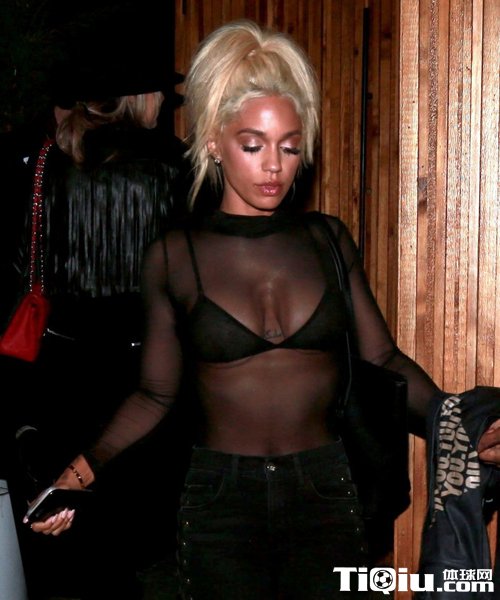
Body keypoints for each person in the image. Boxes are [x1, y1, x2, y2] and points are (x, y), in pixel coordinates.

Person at [28, 19, 500, 599]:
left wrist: (463, 418)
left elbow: (383, 359)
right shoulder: (175, 255)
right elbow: (154, 395)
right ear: (214, 143)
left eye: (290, 146)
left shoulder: (328, 240)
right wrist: (77, 474)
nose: (274, 165)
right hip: (218, 498)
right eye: (253, 145)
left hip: (326, 489)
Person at [2, 42, 192, 600]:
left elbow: (19, 279)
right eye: (160, 91)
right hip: (150, 390)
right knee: (144, 556)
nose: (166, 100)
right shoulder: (178, 169)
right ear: (138, 96)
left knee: (68, 561)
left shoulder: (41, 167)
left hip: (59, 383)